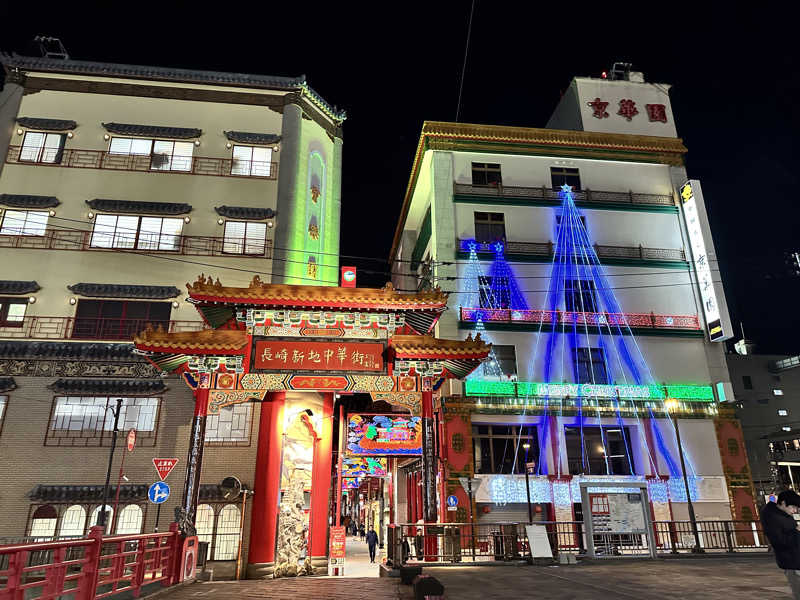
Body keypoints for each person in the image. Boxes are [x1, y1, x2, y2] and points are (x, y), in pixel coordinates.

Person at [762, 490, 800, 598]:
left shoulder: (783, 514)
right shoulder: (772, 517)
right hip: (793, 563)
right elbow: (779, 541)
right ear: (783, 503)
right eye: (793, 507)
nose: (795, 511)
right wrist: (797, 531)